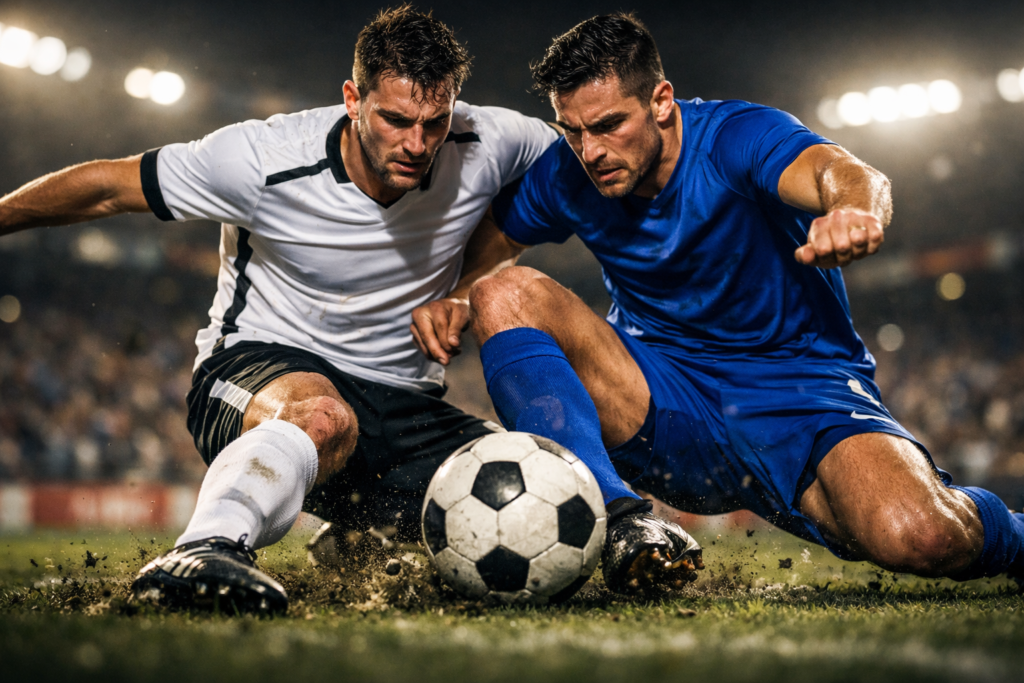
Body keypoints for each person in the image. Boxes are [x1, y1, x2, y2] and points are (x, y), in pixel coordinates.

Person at [412, 13, 1024, 593]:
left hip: (798, 393)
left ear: (660, 100)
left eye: (607, 126)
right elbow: (496, 243)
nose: (589, 150)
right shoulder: (567, 175)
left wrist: (852, 212)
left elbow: (841, 170)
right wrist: (460, 293)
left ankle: (1016, 537)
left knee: (921, 537)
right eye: (572, 130)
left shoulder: (735, 138)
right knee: (505, 293)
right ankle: (622, 521)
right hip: (662, 400)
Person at [0, 6, 559, 613]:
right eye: (396, 120)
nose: (417, 144)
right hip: (257, 369)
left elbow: (577, 176)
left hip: (402, 403)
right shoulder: (263, 159)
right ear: (352, 98)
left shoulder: (491, 139)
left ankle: (357, 537)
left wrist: (463, 287)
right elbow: (110, 186)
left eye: (435, 123)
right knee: (322, 416)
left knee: (526, 481)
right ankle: (206, 547)